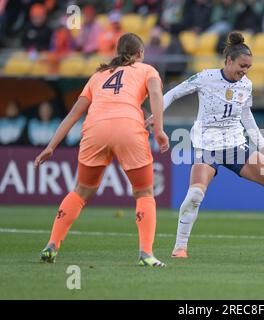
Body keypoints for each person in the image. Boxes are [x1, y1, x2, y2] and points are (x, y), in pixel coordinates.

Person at [158, 31, 264, 258]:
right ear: (229, 60)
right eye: (242, 65)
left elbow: (246, 114)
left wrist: (261, 143)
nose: (244, 71)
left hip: (236, 147)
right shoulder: (206, 77)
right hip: (207, 147)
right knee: (195, 196)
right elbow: (173, 93)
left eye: (248, 67)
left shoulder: (246, 85)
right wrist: (157, 115)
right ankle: (180, 247)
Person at [35, 33, 170, 268]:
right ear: (140, 53)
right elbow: (157, 94)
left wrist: (51, 146)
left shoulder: (97, 76)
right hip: (128, 127)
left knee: (80, 192)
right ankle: (146, 254)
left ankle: (52, 245)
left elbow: (74, 113)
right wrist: (159, 129)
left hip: (95, 130)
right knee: (144, 192)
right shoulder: (147, 70)